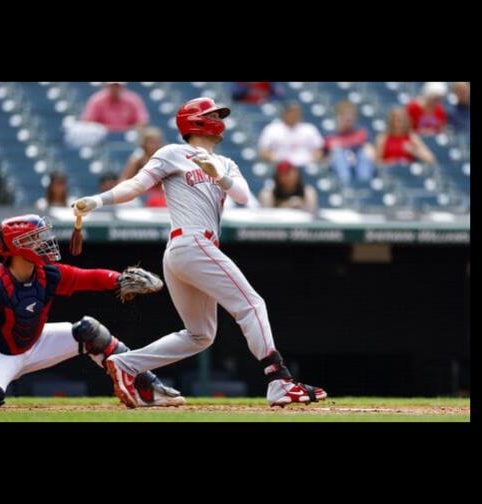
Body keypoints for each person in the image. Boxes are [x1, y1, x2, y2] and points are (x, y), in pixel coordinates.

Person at [72, 97, 328, 408]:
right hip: (191, 243)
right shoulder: (172, 153)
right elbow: (137, 185)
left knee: (201, 335)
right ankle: (279, 380)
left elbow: (245, 197)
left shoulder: (227, 163)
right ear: (196, 120)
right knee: (251, 304)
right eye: (213, 114)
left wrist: (218, 174)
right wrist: (98, 201)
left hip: (191, 250)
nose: (220, 119)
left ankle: (128, 364)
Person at [0, 214, 184, 408]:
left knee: (90, 332)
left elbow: (85, 277)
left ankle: (148, 388)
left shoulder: (48, 274)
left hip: (34, 343)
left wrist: (119, 279)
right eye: (34, 238)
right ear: (16, 246)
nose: (42, 242)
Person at [258, 101, 324, 167]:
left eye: (296, 112)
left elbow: (318, 150)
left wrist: (312, 161)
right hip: (280, 166)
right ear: (284, 113)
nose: (294, 115)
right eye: (291, 112)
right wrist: (276, 161)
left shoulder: (309, 129)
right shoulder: (272, 129)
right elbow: (264, 151)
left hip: (305, 165)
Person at [324, 101, 376, 183]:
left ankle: (364, 184)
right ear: (339, 117)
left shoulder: (362, 133)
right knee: (338, 154)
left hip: (359, 163)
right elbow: (321, 156)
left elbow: (371, 152)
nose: (349, 118)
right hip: (336, 169)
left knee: (363, 154)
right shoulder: (330, 136)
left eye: (351, 115)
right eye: (345, 115)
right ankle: (345, 184)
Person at [120, 127, 167, 207]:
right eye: (152, 142)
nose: (156, 145)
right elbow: (123, 180)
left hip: (162, 195)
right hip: (141, 195)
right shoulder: (137, 159)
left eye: (158, 142)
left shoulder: (166, 159)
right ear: (144, 143)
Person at [80, 82, 149, 133]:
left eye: (117, 86)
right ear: (106, 86)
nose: (115, 89)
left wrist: (129, 130)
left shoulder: (133, 99)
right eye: (112, 86)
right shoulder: (96, 100)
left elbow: (142, 121)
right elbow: (87, 122)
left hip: (128, 135)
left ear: (122, 87)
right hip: (102, 136)